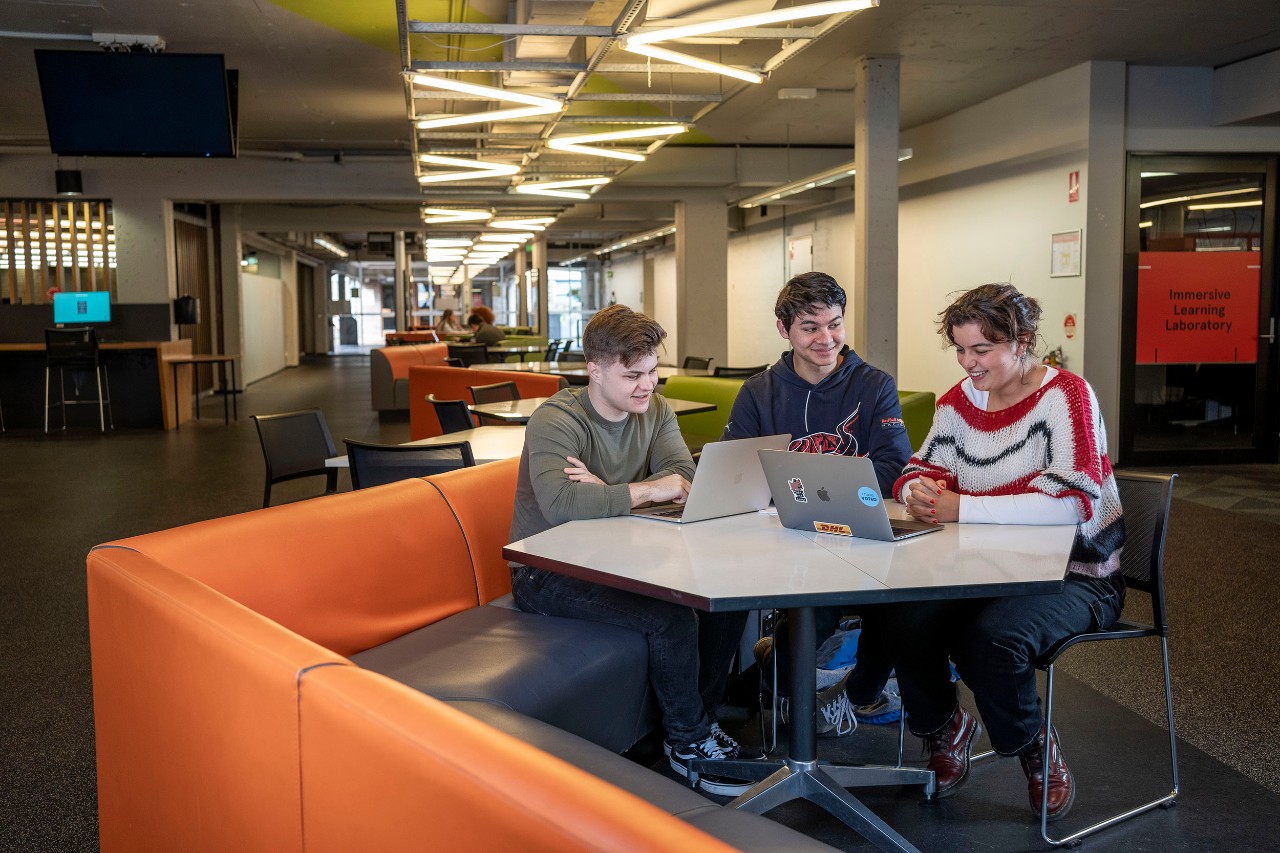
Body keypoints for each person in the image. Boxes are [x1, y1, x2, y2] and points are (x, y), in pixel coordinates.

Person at [886, 282, 1125, 821]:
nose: (969, 363)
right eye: (961, 350)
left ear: (1021, 342)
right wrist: (915, 489)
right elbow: (920, 466)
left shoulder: (1067, 396)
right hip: (983, 569)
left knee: (992, 639)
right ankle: (945, 726)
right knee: (902, 616)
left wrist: (961, 507)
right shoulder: (959, 401)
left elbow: (1071, 504)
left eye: (982, 349)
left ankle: (1034, 747)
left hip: (1076, 575)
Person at [508, 304, 759, 796]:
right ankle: (688, 746)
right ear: (595, 370)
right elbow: (561, 505)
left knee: (726, 595)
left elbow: (683, 477)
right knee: (671, 619)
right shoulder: (556, 419)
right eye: (633, 376)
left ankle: (700, 722)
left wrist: (606, 492)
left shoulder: (656, 410)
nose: (648, 386)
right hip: (546, 570)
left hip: (619, 554)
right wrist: (645, 489)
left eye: (652, 372)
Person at [723, 271, 911, 737]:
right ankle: (793, 676)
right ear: (783, 329)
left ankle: (854, 691)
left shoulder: (874, 385)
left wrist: (800, 485)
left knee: (905, 611)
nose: (826, 339)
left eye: (835, 324)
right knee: (812, 615)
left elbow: (894, 468)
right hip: (784, 540)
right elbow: (736, 474)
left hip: (861, 538)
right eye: (810, 327)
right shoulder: (758, 392)